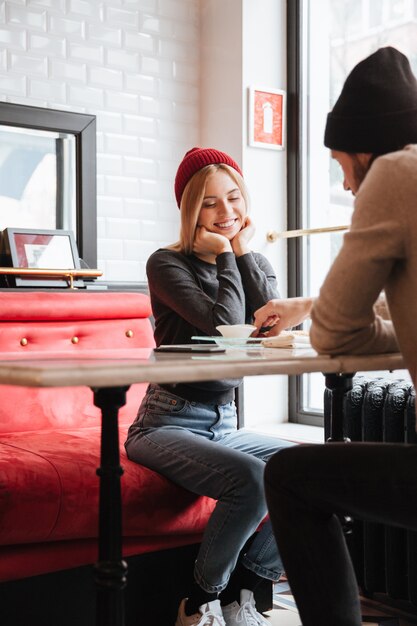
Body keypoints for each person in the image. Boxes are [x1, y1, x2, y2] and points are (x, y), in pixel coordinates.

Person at [256, 46, 417, 626]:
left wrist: (332, 321)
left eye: (341, 165)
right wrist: (308, 306)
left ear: (367, 151)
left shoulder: (396, 173)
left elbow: (336, 333)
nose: (346, 185)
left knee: (290, 476)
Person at [125, 146, 294, 626]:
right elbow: (224, 329)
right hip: (165, 422)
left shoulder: (253, 259)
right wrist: (226, 255)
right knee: (253, 481)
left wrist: (241, 253)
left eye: (234, 198)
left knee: (304, 472)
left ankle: (246, 592)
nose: (227, 213)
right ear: (189, 210)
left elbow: (272, 323)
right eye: (210, 203)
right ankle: (196, 602)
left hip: (224, 423)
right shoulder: (166, 264)